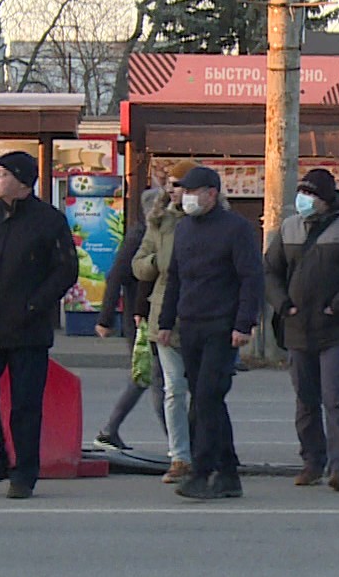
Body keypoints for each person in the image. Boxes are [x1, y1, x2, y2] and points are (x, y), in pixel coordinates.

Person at [0, 151, 79, 501]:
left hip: (28, 329)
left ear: (23, 180)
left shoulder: (49, 220)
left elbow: (65, 270)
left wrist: (35, 304)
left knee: (26, 406)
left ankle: (24, 474)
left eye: (2, 174)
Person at [264, 167, 339, 492]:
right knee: (305, 400)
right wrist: (282, 303)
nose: (303, 200)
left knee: (336, 398)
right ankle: (311, 462)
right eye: (302, 193)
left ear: (326, 199)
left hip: (337, 330)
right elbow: (270, 271)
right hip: (298, 328)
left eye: (310, 194)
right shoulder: (289, 228)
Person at [156, 164, 262, 502]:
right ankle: (228, 472)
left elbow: (251, 278)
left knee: (206, 398)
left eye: (191, 191)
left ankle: (203, 472)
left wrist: (244, 324)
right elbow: (175, 277)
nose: (185, 197)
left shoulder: (236, 230)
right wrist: (164, 320)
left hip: (222, 326)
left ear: (211, 194)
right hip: (190, 324)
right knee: (207, 400)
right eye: (182, 190)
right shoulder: (185, 229)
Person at [133, 160, 197, 484]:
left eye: (179, 184)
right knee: (174, 388)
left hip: (202, 315)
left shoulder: (211, 222)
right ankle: (180, 457)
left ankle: (205, 450)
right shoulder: (159, 221)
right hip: (164, 315)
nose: (172, 190)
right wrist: (158, 261)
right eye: (170, 184)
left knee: (203, 390)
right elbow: (138, 264)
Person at [92, 195, 165, 450]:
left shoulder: (157, 235)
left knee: (145, 377)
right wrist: (105, 318)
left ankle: (110, 429)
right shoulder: (140, 237)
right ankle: (179, 444)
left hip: (153, 316)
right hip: (141, 319)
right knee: (156, 378)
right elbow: (116, 276)